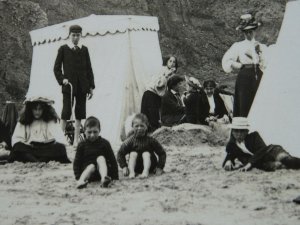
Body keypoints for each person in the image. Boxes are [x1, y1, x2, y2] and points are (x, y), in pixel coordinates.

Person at [54, 24, 95, 147]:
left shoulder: (84, 49)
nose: (76, 38)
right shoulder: (63, 49)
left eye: (78, 35)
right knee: (66, 112)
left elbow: (89, 69)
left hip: (83, 86)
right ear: (69, 35)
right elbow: (56, 69)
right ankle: (60, 140)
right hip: (69, 86)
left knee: (80, 113)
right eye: (73, 35)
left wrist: (91, 87)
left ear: (80, 35)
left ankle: (76, 140)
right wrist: (62, 80)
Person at [222, 13, 267, 117]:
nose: (248, 34)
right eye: (246, 32)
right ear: (243, 32)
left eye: (251, 31)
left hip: (259, 75)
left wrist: (260, 57)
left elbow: (266, 64)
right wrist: (239, 65)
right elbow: (227, 61)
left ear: (255, 30)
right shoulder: (238, 46)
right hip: (245, 76)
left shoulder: (261, 46)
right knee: (245, 103)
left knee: (259, 101)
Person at [223, 117, 300, 172]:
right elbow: (229, 155)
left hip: (272, 151)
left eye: (242, 131)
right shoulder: (232, 145)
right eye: (236, 131)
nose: (239, 134)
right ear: (232, 132)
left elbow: (262, 150)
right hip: (263, 163)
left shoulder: (254, 136)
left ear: (246, 131)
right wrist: (228, 161)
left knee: (287, 160)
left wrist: (249, 164)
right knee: (280, 166)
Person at [9, 97, 70, 163]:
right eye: (35, 109)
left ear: (44, 109)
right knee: (17, 147)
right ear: (30, 109)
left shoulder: (50, 119)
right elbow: (17, 139)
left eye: (40, 109)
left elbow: (57, 138)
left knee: (60, 147)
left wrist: (49, 142)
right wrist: (26, 143)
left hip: (45, 149)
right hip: (30, 149)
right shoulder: (24, 120)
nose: (37, 112)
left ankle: (35, 161)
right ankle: (39, 161)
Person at [73, 116, 119, 189]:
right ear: (84, 131)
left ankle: (104, 179)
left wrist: (115, 177)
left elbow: (112, 160)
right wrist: (78, 177)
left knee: (101, 158)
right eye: (89, 132)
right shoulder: (82, 144)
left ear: (99, 130)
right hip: (88, 173)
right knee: (91, 166)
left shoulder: (105, 143)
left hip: (102, 171)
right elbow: (77, 162)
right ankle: (81, 181)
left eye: (95, 132)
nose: (92, 135)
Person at [117, 114, 166, 179]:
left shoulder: (151, 140)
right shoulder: (130, 141)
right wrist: (124, 166)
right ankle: (132, 172)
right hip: (136, 167)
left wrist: (159, 167)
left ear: (147, 126)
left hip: (150, 166)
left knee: (146, 153)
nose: (139, 128)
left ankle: (145, 172)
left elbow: (162, 153)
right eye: (136, 126)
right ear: (132, 126)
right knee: (133, 153)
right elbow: (120, 153)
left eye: (142, 126)